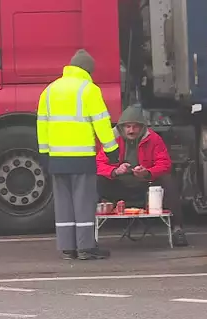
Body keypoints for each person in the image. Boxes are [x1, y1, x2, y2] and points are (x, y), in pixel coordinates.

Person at [37, 49, 120, 260]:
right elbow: (101, 123)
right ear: (87, 69)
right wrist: (111, 150)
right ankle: (85, 247)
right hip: (81, 157)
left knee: (63, 204)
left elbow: (42, 125)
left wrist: (44, 153)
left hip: (56, 158)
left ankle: (67, 247)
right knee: (83, 202)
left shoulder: (49, 90)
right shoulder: (88, 89)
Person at [96, 105, 189, 247]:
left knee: (168, 180)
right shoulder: (111, 140)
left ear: (142, 127)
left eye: (135, 127)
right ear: (121, 127)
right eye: (127, 127)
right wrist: (115, 171)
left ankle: (177, 229)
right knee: (95, 181)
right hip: (118, 186)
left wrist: (148, 172)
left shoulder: (154, 139)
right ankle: (88, 234)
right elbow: (98, 164)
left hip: (146, 186)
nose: (131, 130)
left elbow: (164, 164)